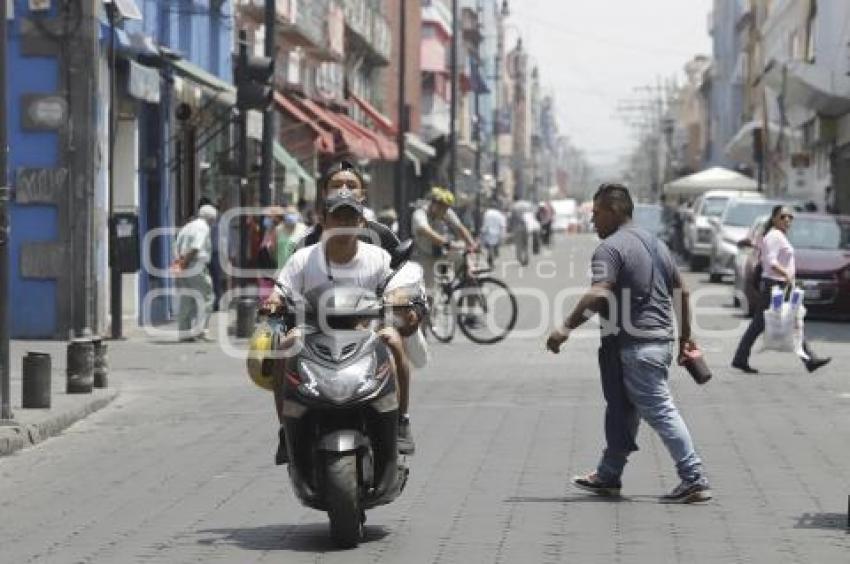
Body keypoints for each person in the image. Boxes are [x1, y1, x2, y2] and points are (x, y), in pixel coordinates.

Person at [546, 183, 712, 504]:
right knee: (622, 411)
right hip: (657, 342)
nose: (593, 221)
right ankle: (609, 475)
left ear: (614, 211)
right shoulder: (656, 244)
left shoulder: (609, 248)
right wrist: (685, 337)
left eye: (596, 214)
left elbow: (599, 291)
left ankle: (694, 478)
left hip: (636, 346)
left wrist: (565, 328)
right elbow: (683, 291)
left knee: (660, 410)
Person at [264, 190, 417, 461]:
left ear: (361, 223)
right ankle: (285, 431)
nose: (344, 224)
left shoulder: (378, 257)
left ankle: (401, 421)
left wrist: (400, 298)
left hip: (366, 330)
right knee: (285, 345)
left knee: (393, 340)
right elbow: (282, 290)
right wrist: (274, 301)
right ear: (323, 220)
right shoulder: (303, 258)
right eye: (338, 217)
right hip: (314, 330)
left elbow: (397, 288)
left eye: (351, 217)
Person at [732, 205, 831, 374]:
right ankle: (809, 359)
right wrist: (786, 274)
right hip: (775, 285)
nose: (787, 220)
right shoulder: (774, 236)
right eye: (783, 216)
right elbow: (771, 262)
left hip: (778, 285)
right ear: (774, 219)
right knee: (773, 322)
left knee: (787, 321)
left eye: (790, 217)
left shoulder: (778, 236)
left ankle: (809, 359)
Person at [296, 161, 402, 256]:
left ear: (362, 194)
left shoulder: (381, 236)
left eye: (351, 186)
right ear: (324, 193)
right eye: (336, 186)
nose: (343, 190)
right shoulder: (308, 240)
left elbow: (401, 271)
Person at [411, 186, 477, 290]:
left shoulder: (446, 211)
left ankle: (462, 287)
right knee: (429, 292)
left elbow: (460, 227)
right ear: (433, 204)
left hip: (441, 252)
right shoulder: (419, 213)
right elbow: (426, 231)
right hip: (424, 255)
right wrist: (447, 243)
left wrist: (472, 244)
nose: (444, 211)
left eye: (447, 208)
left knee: (466, 262)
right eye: (442, 207)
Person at [172, 205, 218, 342]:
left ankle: (184, 332)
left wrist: (178, 265)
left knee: (187, 298)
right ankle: (201, 330)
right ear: (211, 218)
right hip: (194, 265)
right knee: (207, 297)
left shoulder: (187, 227)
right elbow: (195, 247)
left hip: (182, 264)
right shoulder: (203, 227)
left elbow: (176, 246)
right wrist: (184, 263)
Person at [480, 203, 507, 267]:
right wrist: (503, 235)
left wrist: (482, 232)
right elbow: (503, 225)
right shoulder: (500, 215)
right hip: (497, 234)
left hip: (488, 233)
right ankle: (491, 259)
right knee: (495, 250)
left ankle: (490, 259)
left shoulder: (487, 213)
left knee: (490, 247)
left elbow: (485, 223)